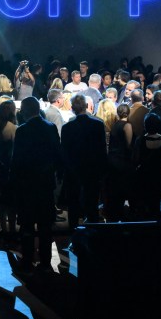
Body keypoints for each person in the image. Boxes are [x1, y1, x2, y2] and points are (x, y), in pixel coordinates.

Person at [11, 97, 62, 272]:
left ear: (25, 111)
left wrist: (14, 183)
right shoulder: (50, 127)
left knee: (26, 225)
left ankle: (27, 260)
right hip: (45, 183)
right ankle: (46, 262)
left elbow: (16, 161)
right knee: (45, 225)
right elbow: (57, 155)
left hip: (27, 185)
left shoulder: (22, 130)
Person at [60, 94, 107, 229]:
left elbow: (65, 152)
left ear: (73, 108)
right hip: (92, 171)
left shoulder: (67, 127)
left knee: (73, 207)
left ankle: (73, 236)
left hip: (73, 172)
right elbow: (102, 150)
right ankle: (93, 236)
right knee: (92, 206)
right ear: (86, 106)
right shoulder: (98, 125)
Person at [0, 99, 18, 239]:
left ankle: (3, 227)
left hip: (2, 164)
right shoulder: (12, 127)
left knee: (3, 198)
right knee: (11, 200)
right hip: (10, 166)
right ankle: (12, 229)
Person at [105, 104, 134, 221]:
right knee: (122, 187)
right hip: (122, 160)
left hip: (112, 159)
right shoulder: (127, 125)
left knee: (114, 188)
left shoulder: (115, 125)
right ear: (128, 113)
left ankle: (113, 213)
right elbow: (129, 144)